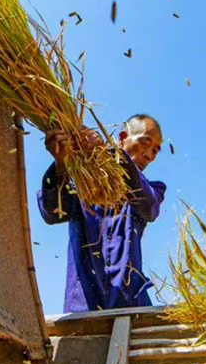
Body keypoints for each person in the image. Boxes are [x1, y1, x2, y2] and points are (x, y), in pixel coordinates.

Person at [38, 114, 166, 312]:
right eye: (145, 143)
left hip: (131, 304)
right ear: (123, 138)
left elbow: (149, 207)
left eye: (156, 151)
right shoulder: (81, 183)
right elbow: (53, 213)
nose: (149, 155)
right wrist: (61, 165)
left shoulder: (150, 189)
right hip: (84, 305)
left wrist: (112, 154)